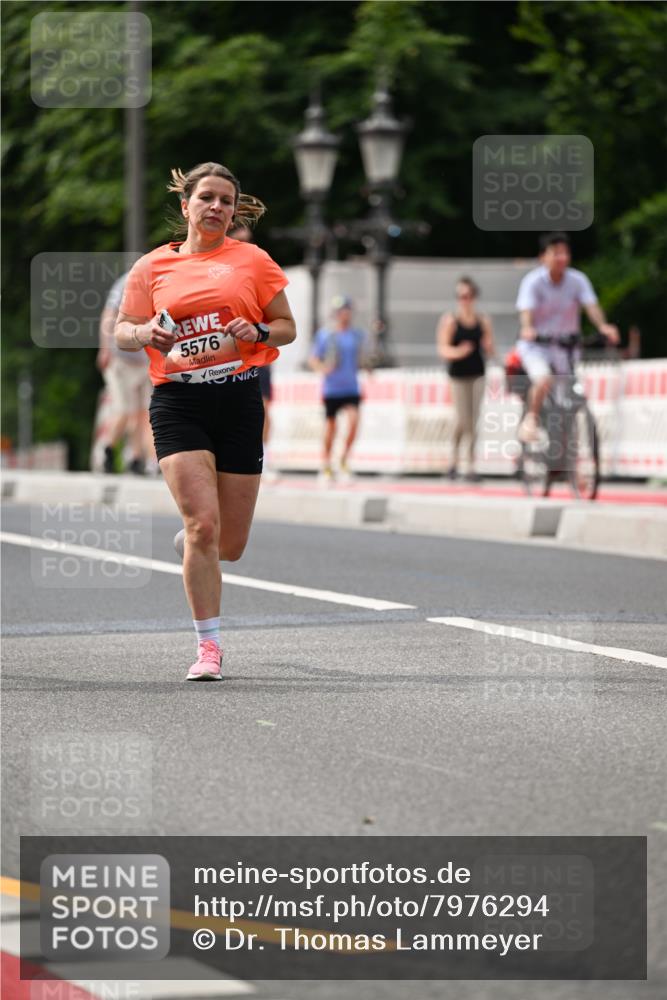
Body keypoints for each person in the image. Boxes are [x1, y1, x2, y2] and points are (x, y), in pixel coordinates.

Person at [114, 162, 296, 681]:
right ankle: (208, 647)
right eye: (207, 198)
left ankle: (197, 544)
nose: (217, 207)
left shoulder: (252, 260)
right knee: (203, 524)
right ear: (186, 205)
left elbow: (287, 327)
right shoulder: (152, 268)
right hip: (178, 401)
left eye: (226, 201)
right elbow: (122, 330)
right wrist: (147, 331)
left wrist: (258, 329)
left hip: (239, 400)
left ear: (234, 210)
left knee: (229, 546)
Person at [515, 232, 619, 442]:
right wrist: (528, 328)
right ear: (543, 257)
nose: (561, 258)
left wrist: (603, 326)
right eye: (556, 253)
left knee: (567, 398)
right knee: (544, 379)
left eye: (565, 253)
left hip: (566, 348)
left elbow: (591, 306)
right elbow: (526, 312)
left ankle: (566, 456)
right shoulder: (533, 282)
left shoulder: (578, 280)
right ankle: (531, 419)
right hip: (538, 347)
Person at [436, 277, 495, 482]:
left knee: (474, 419)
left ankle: (469, 465)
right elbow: (443, 349)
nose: (464, 300)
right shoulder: (450, 320)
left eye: (468, 296)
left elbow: (490, 347)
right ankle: (456, 460)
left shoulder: (482, 320)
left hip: (477, 374)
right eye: (461, 296)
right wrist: (459, 351)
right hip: (458, 376)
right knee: (463, 420)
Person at [96, 271, 155, 474]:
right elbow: (108, 316)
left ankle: (136, 458)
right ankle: (108, 450)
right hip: (119, 359)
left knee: (141, 413)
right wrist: (105, 349)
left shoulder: (159, 284)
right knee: (123, 410)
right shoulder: (125, 283)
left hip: (142, 361)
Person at [308, 295, 369, 483]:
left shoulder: (357, 335)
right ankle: (326, 464)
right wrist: (323, 369)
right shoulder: (326, 335)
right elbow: (313, 359)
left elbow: (361, 359)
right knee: (331, 427)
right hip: (332, 388)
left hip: (351, 386)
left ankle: (343, 460)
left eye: (347, 309)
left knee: (354, 421)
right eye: (341, 310)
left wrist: (367, 367)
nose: (345, 313)